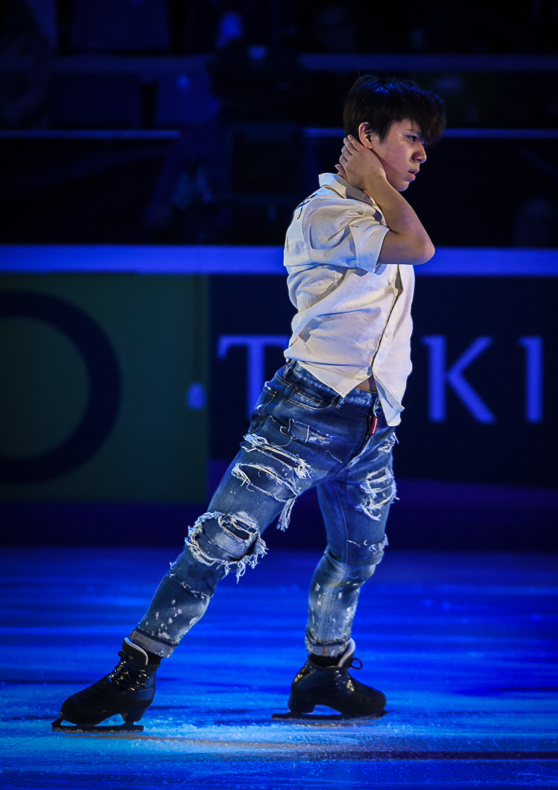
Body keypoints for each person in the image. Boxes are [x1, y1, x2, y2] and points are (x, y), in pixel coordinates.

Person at [54, 75, 446, 729]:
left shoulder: (383, 213)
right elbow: (421, 248)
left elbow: (408, 243)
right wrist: (374, 181)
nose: (422, 155)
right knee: (218, 544)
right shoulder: (326, 214)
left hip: (374, 424)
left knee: (356, 554)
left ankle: (325, 670)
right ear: (366, 140)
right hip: (306, 415)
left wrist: (380, 185)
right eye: (411, 139)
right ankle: (135, 670)